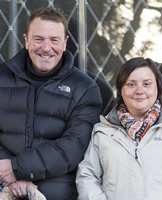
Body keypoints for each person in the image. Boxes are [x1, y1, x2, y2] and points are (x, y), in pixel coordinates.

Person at [0, 7, 102, 200]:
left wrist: (16, 169)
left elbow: (73, 147)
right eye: (38, 39)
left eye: (54, 40)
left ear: (65, 44)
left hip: (56, 194)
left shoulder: (85, 88)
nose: (46, 48)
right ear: (26, 40)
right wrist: (8, 176)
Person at [76, 57, 162, 200]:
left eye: (146, 84)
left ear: (158, 88)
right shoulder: (103, 131)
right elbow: (87, 176)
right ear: (121, 90)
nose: (139, 90)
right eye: (131, 84)